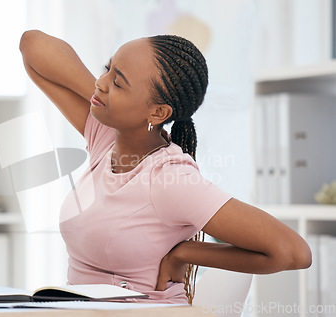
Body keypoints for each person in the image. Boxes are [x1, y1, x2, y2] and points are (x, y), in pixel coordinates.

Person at [19, 30, 312, 304]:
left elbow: (293, 252)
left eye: (119, 82)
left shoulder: (171, 180)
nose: (101, 81)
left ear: (158, 112)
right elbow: (32, 45)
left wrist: (187, 252)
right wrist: (108, 96)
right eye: (107, 68)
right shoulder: (106, 137)